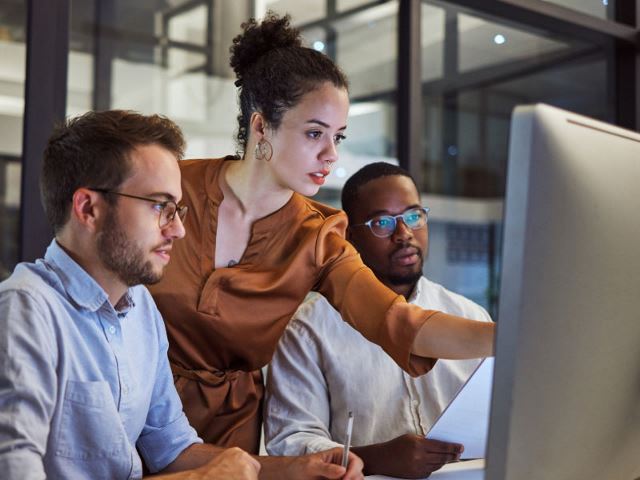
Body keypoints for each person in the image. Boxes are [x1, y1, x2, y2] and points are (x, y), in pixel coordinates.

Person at [148, 12, 495, 454]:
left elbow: (399, 321)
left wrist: (509, 337)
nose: (330, 155)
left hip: (229, 434)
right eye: (315, 133)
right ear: (260, 127)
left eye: (339, 137)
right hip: (135, 406)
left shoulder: (319, 235)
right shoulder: (172, 189)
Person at [0, 110, 363, 480]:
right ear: (88, 208)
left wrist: (294, 470)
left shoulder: (141, 307)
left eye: (178, 209)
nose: (178, 230)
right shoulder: (25, 311)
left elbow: (173, 448)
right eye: (160, 207)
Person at [264, 163, 494, 477]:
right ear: (348, 235)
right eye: (382, 223)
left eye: (414, 216)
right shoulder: (307, 329)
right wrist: (376, 458)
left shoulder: (468, 315)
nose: (404, 234)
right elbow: (290, 442)